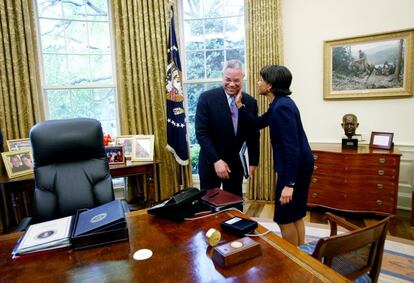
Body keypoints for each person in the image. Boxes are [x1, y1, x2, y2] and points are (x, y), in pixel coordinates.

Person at [235, 65, 314, 246]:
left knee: (284, 217)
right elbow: (257, 123)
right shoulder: (280, 103)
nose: (258, 82)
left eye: (261, 79)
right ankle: (302, 255)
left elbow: (291, 148)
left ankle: (292, 260)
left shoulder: (282, 107)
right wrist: (240, 106)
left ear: (269, 85)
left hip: (294, 168)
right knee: (295, 214)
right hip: (299, 165)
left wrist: (289, 184)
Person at [195, 60, 260, 198]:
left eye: (236, 80)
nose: (231, 84)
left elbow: (253, 135)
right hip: (210, 161)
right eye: (228, 79)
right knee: (208, 207)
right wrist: (216, 160)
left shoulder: (250, 102)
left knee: (234, 206)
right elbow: (201, 133)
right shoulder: (206, 98)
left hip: (235, 163)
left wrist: (253, 161)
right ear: (222, 76)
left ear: (242, 77)